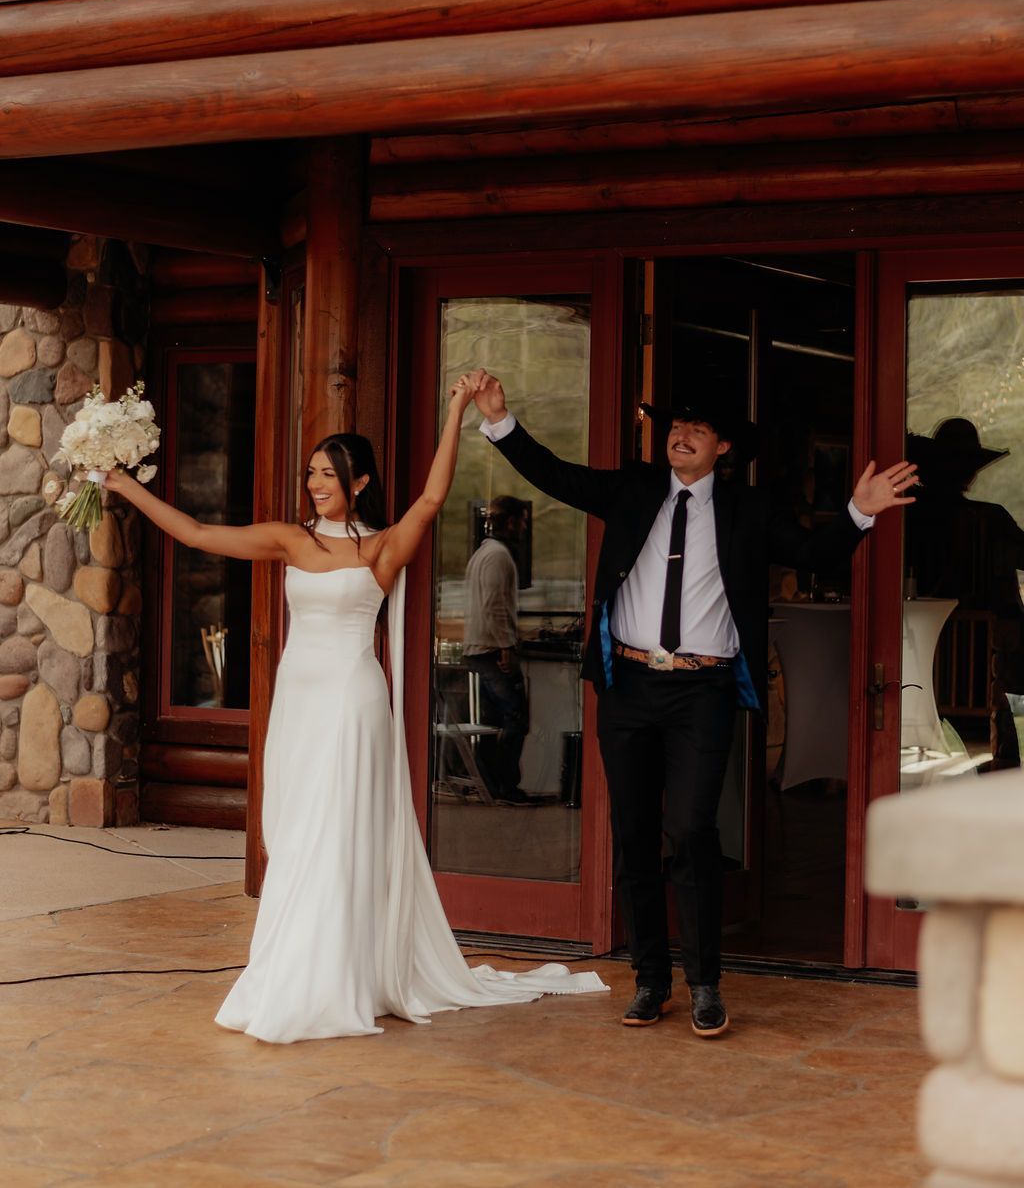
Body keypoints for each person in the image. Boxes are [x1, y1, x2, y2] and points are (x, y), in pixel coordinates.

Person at [99, 374, 607, 1042]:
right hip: (299, 705)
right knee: (294, 831)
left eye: (330, 475)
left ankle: (330, 978)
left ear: (360, 482)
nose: (316, 484)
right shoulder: (290, 539)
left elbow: (432, 497)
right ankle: (299, 965)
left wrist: (454, 409)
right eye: (311, 472)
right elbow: (196, 533)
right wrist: (122, 485)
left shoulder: (380, 547)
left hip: (352, 702)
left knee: (332, 836)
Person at [472, 370, 916, 1037]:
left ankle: (705, 983)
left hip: (701, 690)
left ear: (724, 448)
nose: (680, 436)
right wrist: (500, 420)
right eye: (675, 427)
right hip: (627, 686)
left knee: (692, 829)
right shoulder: (632, 488)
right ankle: (650, 980)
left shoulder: (749, 509)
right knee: (632, 836)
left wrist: (860, 510)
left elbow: (817, 554)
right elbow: (556, 476)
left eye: (696, 429)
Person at [907, 417, 1024, 769]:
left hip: (928, 662)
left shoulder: (909, 518)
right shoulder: (992, 520)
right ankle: (1008, 755)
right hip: (996, 664)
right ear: (971, 474)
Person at [463, 495, 531, 804]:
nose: (524, 527)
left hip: (481, 649)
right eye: (522, 521)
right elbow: (495, 606)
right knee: (516, 717)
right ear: (511, 521)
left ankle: (490, 785)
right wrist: (507, 647)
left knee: (492, 723)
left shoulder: (483, 553)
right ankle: (505, 786)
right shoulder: (499, 556)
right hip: (490, 650)